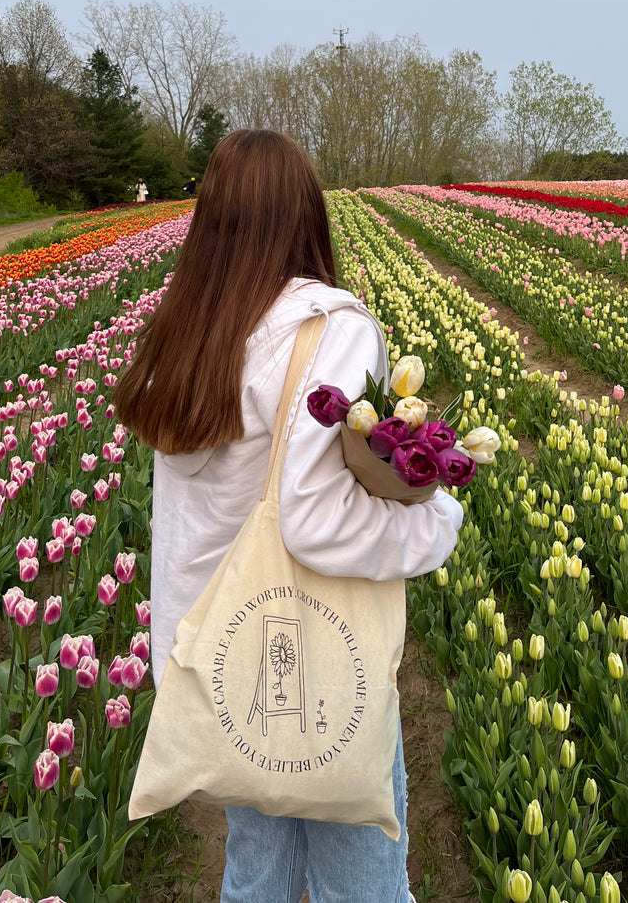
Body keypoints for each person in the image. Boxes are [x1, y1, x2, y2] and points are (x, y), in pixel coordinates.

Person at [115, 129, 462, 903]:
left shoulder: (187, 336)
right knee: (362, 883)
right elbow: (313, 519)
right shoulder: (325, 331)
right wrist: (432, 523)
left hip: (222, 652)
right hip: (317, 656)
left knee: (258, 871)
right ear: (304, 214)